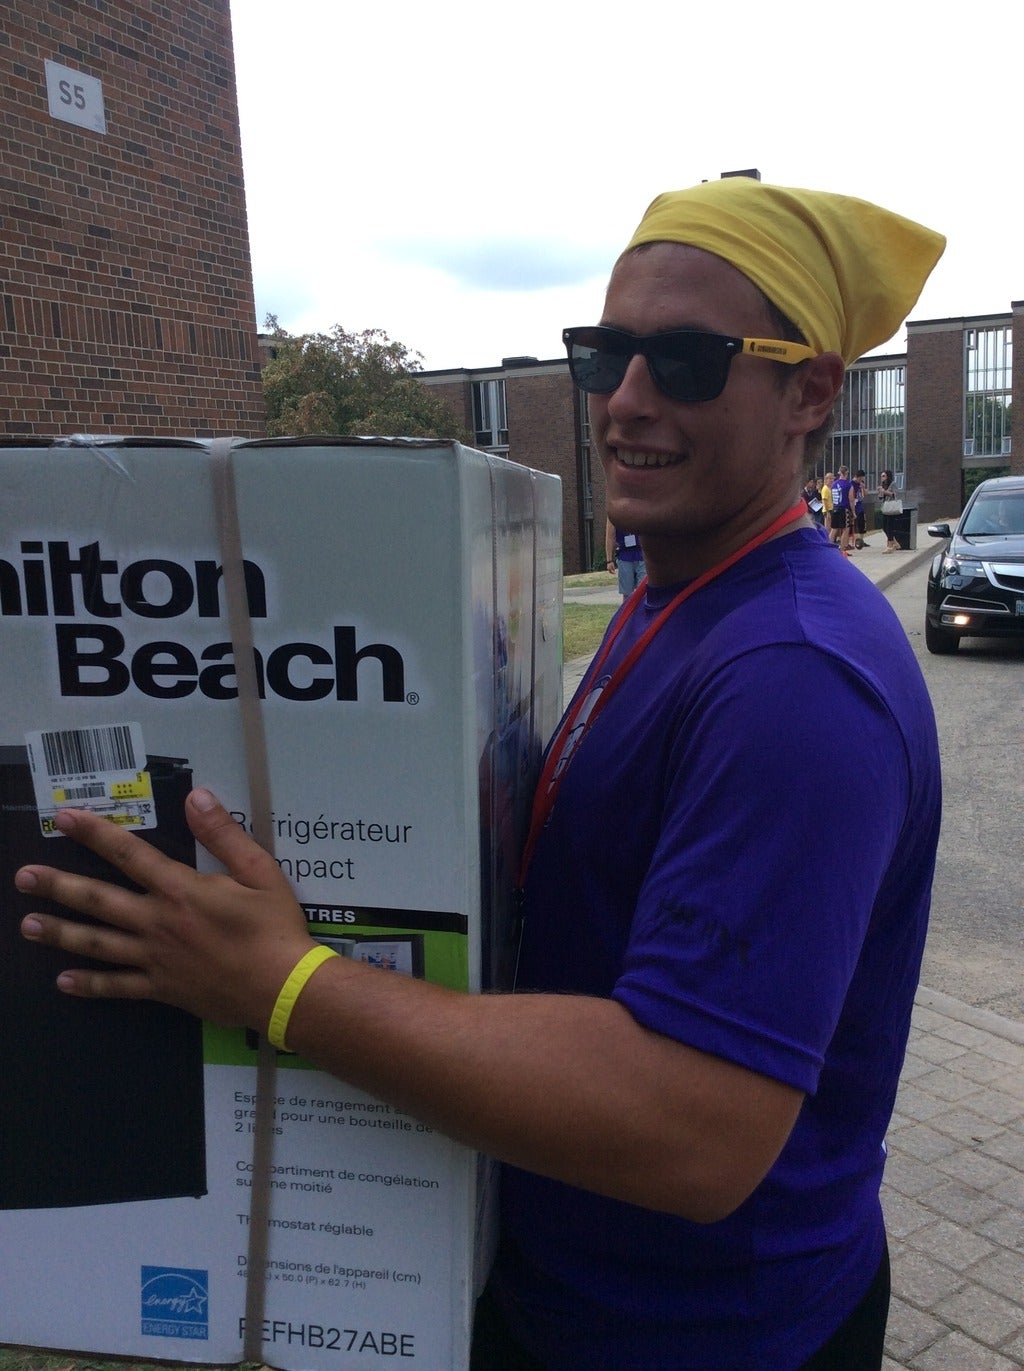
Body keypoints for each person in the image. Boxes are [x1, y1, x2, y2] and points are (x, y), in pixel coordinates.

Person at [15, 177, 946, 1371]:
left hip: (697, 1338)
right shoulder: (676, 596)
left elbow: (693, 1131)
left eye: (689, 360)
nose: (627, 401)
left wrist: (282, 984)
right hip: (564, 1288)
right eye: (603, 354)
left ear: (809, 392)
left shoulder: (794, 680)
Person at [604, 517, 646, 598]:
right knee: (627, 594)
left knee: (643, 591)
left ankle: (642, 610)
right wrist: (609, 560)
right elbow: (610, 535)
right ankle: (628, 610)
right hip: (624, 555)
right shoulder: (615, 510)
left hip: (642, 553)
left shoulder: (641, 505)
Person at [830, 465, 855, 555]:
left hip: (835, 507)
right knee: (846, 529)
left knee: (834, 529)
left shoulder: (833, 484)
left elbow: (832, 498)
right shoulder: (848, 485)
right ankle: (842, 549)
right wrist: (854, 512)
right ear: (846, 473)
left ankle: (829, 547)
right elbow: (851, 499)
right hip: (844, 508)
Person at [878, 469, 901, 551]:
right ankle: (894, 542)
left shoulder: (893, 484)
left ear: (888, 476)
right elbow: (881, 497)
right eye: (881, 476)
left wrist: (885, 492)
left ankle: (890, 545)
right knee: (884, 526)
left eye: (883, 476)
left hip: (891, 506)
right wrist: (880, 492)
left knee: (889, 525)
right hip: (885, 506)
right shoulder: (883, 484)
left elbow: (894, 494)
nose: (882, 478)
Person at [853, 469, 868, 547]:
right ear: (856, 477)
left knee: (862, 522)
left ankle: (861, 540)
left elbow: (865, 494)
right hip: (854, 505)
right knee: (855, 523)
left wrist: (863, 488)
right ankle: (856, 540)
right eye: (860, 478)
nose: (861, 480)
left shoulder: (861, 484)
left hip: (860, 504)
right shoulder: (852, 484)